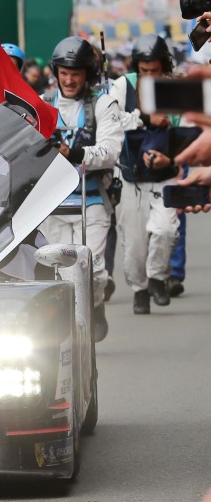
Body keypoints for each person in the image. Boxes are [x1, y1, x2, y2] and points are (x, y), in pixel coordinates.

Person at [38, 36, 122, 339]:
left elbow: (111, 151)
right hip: (53, 203)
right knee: (62, 274)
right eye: (64, 73)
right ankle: (71, 334)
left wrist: (72, 154)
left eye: (76, 73)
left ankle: (96, 304)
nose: (69, 80)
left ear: (88, 73)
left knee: (94, 274)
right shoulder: (41, 103)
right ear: (56, 72)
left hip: (94, 198)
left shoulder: (104, 102)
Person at [109, 34, 180, 314]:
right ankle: (139, 290)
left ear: (165, 67)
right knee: (134, 243)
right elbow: (111, 121)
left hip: (166, 173)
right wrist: (145, 118)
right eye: (144, 70)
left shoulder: (174, 87)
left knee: (165, 230)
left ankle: (157, 277)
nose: (149, 76)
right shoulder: (121, 86)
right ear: (137, 67)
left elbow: (187, 127)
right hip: (131, 176)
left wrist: (173, 155)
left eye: (155, 70)